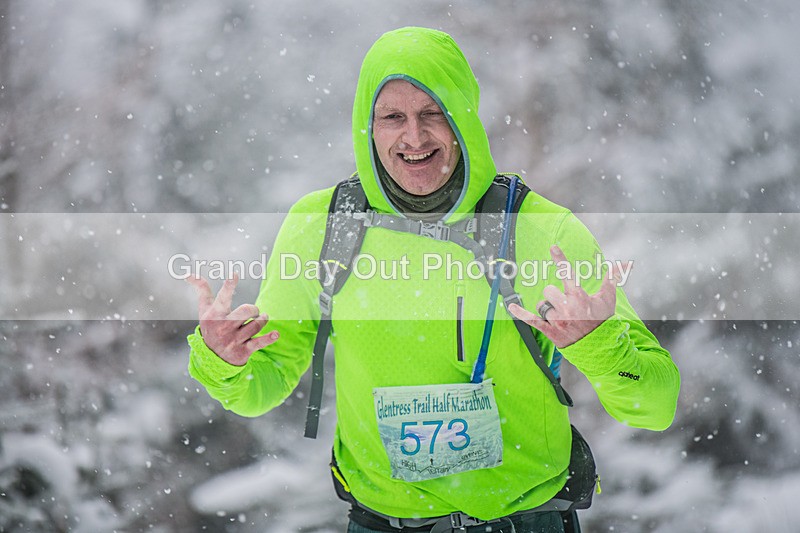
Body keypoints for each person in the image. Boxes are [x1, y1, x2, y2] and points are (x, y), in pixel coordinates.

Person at [187, 27, 681, 532]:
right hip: (380, 523)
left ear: (463, 118)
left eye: (432, 113)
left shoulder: (540, 231)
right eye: (393, 117)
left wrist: (600, 346)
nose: (415, 137)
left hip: (523, 522)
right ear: (367, 126)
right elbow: (260, 389)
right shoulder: (323, 226)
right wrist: (222, 359)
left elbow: (655, 405)